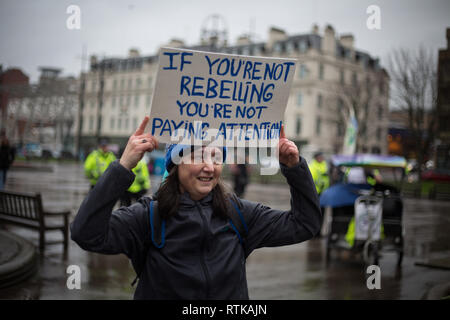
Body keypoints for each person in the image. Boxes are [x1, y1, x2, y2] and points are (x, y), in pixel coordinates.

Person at [70, 116, 322, 299]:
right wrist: (123, 166)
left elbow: (305, 224)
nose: (209, 166)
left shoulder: (239, 214)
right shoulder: (147, 216)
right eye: (198, 156)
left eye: (215, 157)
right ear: (175, 165)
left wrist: (294, 167)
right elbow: (86, 234)